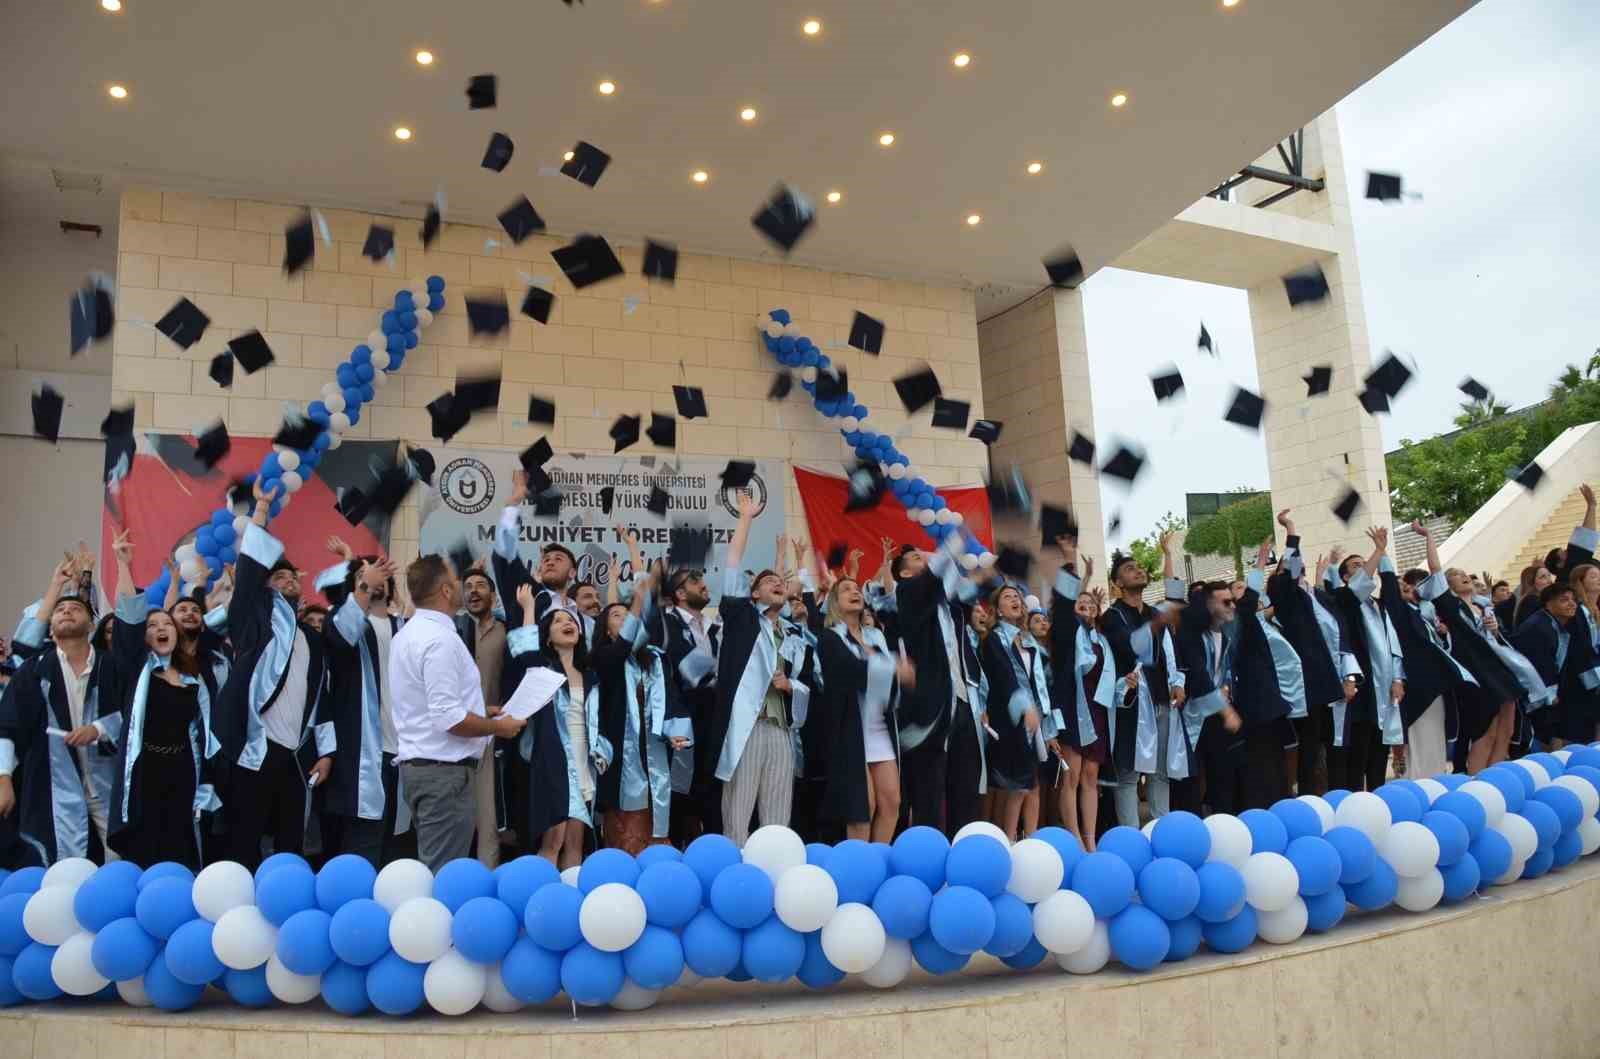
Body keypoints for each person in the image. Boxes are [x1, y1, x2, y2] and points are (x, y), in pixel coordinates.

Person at [212, 482, 335, 869]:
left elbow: (321, 698)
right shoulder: (256, 619)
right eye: (278, 577)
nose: (288, 580)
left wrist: (326, 752)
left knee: (290, 845)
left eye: (292, 576)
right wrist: (261, 513)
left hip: (295, 754)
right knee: (244, 842)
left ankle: (286, 901)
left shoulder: (311, 639)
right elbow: (250, 574)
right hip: (255, 746)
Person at [388, 554, 524, 871]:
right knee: (443, 874)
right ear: (446, 591)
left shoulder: (408, 634)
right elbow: (449, 718)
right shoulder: (439, 640)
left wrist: (481, 710)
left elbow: (427, 702)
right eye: (456, 580)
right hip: (443, 775)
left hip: (426, 769)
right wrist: (498, 727)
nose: (464, 587)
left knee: (439, 867)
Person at [104, 530, 222, 869]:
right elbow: (128, 619)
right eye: (152, 624)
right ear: (145, 636)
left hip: (182, 769)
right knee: (145, 849)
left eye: (166, 624)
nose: (161, 628)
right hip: (145, 771)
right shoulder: (137, 670)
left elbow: (203, 732)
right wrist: (123, 565)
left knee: (180, 846)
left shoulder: (192, 678)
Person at [0, 554, 120, 866]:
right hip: (52, 786)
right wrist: (3, 779)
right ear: (50, 628)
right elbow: (7, 727)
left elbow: (135, 714)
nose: (66, 611)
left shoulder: (112, 668)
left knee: (120, 859)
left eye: (75, 608)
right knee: (59, 864)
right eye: (60, 610)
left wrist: (99, 729)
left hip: (108, 782)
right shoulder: (33, 671)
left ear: (91, 624)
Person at [703, 492, 808, 847]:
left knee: (778, 820)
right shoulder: (742, 619)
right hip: (745, 729)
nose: (776, 583)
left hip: (781, 730)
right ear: (753, 594)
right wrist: (746, 517)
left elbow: (807, 683)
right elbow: (732, 564)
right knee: (737, 817)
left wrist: (791, 686)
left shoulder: (792, 635)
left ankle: (776, 869)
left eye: (780, 581)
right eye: (767, 582)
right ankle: (736, 874)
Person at [313, 540, 404, 867]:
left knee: (398, 843)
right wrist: (364, 583)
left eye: (380, 576)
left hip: (405, 750)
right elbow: (341, 637)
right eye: (365, 577)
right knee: (362, 842)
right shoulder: (343, 621)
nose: (375, 581)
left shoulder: (405, 627)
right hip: (363, 751)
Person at [883, 537, 978, 834]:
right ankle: (929, 849)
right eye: (915, 558)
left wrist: (997, 566)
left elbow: (975, 588)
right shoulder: (908, 593)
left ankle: (963, 844)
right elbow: (932, 579)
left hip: (961, 702)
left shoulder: (949, 605)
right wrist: (954, 539)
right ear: (904, 573)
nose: (923, 558)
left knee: (965, 783)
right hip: (930, 707)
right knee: (929, 789)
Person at [508, 596, 605, 867]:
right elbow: (525, 650)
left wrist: (602, 752)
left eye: (571, 619)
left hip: (584, 763)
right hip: (554, 763)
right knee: (553, 840)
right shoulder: (543, 671)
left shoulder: (591, 675)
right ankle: (544, 890)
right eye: (558, 621)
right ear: (548, 639)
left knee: (575, 841)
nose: (566, 623)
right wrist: (529, 608)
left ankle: (570, 892)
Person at [817, 576, 914, 842]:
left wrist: (900, 675)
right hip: (851, 730)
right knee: (862, 808)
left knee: (892, 802)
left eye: (857, 588)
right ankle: (858, 863)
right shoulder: (830, 637)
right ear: (834, 602)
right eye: (846, 589)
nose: (855, 592)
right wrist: (892, 667)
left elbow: (892, 686)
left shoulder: (876, 637)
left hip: (880, 726)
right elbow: (849, 670)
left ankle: (877, 858)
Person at [1098, 547, 1187, 826]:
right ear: (1118, 583)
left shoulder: (1153, 612)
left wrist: (1178, 681)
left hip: (1161, 698)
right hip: (1131, 703)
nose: (1138, 570)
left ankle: (1163, 829)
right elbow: (1130, 646)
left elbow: (1171, 650)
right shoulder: (1113, 616)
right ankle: (1131, 835)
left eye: (1139, 566)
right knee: (1129, 775)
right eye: (1129, 569)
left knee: (1160, 771)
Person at [1379, 524, 1476, 779]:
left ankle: (1434, 782)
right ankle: (1419, 784)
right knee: (1420, 743)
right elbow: (1389, 585)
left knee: (1435, 743)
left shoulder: (1422, 613)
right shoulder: (1399, 613)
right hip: (1419, 688)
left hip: (1436, 686)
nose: (1405, 587)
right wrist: (1382, 553)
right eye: (1401, 586)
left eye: (1407, 584)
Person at [590, 528, 661, 854]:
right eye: (616, 615)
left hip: (650, 753)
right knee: (622, 836)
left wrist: (633, 546)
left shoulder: (650, 660)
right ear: (606, 629)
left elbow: (643, 612)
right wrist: (636, 598)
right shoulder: (605, 657)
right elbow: (633, 618)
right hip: (619, 755)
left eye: (625, 613)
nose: (626, 617)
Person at [1266, 512, 1345, 795]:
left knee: (1320, 745)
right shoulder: (1284, 594)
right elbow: (1291, 566)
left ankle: (1319, 792)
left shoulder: (1303, 596)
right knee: (1308, 747)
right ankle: (1309, 795)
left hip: (1319, 680)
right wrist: (1291, 530)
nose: (1296, 569)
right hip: (1305, 684)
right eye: (1288, 568)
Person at [1326, 528, 1406, 792]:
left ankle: (1378, 796)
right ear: (1345, 577)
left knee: (1379, 752)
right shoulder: (1342, 599)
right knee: (1358, 754)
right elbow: (1355, 591)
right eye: (1356, 566)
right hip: (1361, 686)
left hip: (1385, 688)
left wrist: (1398, 678)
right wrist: (1378, 551)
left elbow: (1393, 643)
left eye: (1364, 564)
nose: (1363, 568)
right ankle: (1356, 801)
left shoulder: (1377, 604)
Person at [1049, 538, 1115, 848]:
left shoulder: (1100, 640)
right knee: (1072, 777)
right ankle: (1074, 837)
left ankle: (1090, 838)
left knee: (1091, 777)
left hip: (1097, 712)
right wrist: (1070, 560)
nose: (1086, 608)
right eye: (1080, 604)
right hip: (1073, 710)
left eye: (1091, 605)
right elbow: (1065, 603)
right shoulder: (1066, 633)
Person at [977, 580, 1051, 840]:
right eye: (1007, 597)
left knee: (1031, 784)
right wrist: (1024, 706)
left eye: (1017, 596)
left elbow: (1040, 681)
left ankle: (1031, 838)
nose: (1015, 599)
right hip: (1007, 718)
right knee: (1016, 786)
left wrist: (1046, 719)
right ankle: (1008, 840)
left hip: (1032, 718)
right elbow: (1004, 676)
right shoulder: (994, 638)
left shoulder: (1027, 639)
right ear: (997, 609)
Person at [1171, 580, 1247, 811]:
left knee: (1223, 775)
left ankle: (1224, 821)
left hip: (1217, 713)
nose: (1232, 606)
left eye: (1232, 601)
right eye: (1226, 602)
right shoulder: (1191, 634)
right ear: (1209, 604)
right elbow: (1198, 676)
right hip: (1192, 714)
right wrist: (1227, 712)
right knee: (1189, 781)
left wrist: (1227, 690)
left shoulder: (1228, 634)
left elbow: (1227, 670)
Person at [659, 563, 721, 841]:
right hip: (682, 718)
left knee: (713, 793)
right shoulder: (666, 623)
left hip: (715, 720)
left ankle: (713, 849)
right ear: (680, 594)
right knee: (679, 793)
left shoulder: (715, 627)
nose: (704, 584)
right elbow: (683, 668)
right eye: (695, 580)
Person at [456, 564, 509, 867]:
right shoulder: (453, 630)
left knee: (488, 815)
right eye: (468, 586)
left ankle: (486, 877)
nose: (473, 591)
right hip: (453, 731)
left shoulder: (506, 631)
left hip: (490, 735)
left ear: (493, 594)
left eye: (480, 585)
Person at [1513, 583, 1579, 747]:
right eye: (1564, 600)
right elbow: (1538, 665)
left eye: (1573, 600)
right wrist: (1550, 693)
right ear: (1548, 604)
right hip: (1533, 693)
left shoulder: (1554, 622)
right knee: (1544, 736)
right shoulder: (1537, 626)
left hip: (1546, 690)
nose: (1571, 604)